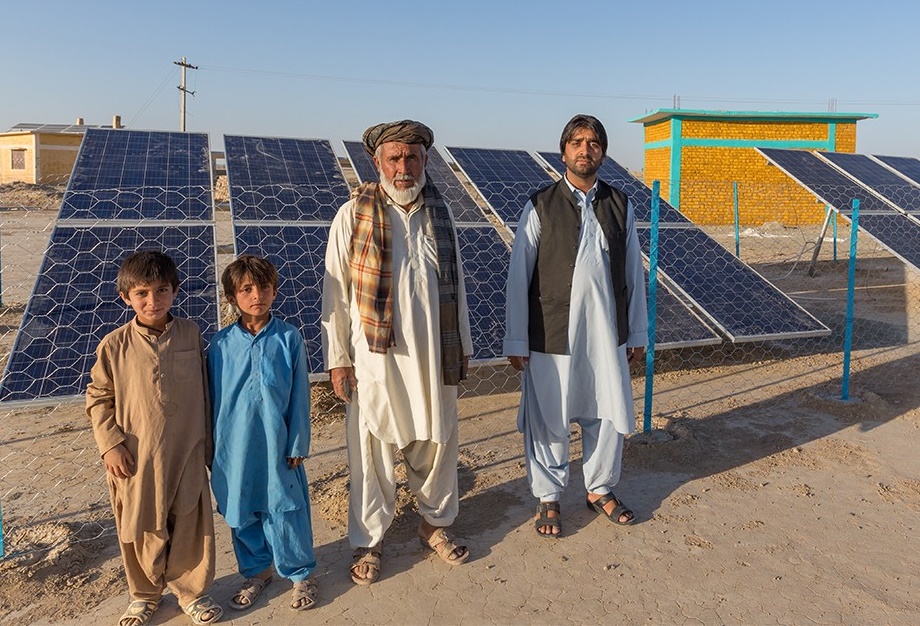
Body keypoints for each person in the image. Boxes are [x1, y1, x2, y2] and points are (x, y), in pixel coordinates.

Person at [321, 119, 473, 585]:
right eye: (394, 157)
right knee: (373, 450)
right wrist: (339, 359)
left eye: (412, 157)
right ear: (377, 162)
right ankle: (369, 540)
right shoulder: (353, 215)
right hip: (375, 360)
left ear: (426, 160)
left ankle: (436, 524)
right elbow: (337, 295)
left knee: (438, 441)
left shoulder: (439, 213)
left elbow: (458, 286)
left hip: (433, 357)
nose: (403, 166)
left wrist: (463, 346)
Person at [504, 114, 649, 538]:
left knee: (605, 412)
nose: (586, 150)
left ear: (603, 152)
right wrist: (517, 337)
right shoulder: (540, 205)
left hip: (607, 334)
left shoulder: (621, 204)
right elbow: (519, 275)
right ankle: (548, 495)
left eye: (594, 143)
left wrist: (636, 332)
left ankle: (600, 488)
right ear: (563, 150)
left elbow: (633, 276)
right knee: (549, 417)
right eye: (577, 142)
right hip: (550, 333)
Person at [85, 250, 222, 626]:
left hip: (188, 449)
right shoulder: (113, 345)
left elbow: (207, 392)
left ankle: (191, 593)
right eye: (142, 293)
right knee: (140, 525)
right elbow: (98, 397)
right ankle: (144, 595)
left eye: (162, 290)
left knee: (191, 522)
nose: (153, 301)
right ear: (126, 297)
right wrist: (110, 444)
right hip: (136, 456)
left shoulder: (192, 333)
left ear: (175, 291)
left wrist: (209, 445)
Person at [207, 254, 318, 612]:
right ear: (231, 296)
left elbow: (301, 393)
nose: (258, 295)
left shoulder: (289, 338)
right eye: (247, 289)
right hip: (233, 447)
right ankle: (257, 571)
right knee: (240, 509)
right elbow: (209, 399)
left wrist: (298, 440)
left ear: (275, 290)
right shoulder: (219, 345)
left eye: (265, 287)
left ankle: (300, 574)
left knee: (285, 508)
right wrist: (211, 448)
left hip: (278, 442)